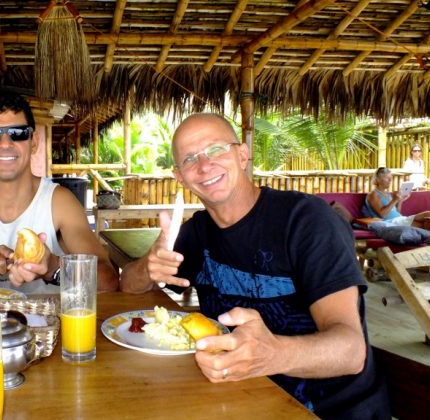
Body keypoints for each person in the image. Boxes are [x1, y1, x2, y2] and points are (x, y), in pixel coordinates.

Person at [120, 114, 388, 419]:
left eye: (216, 149)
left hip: (331, 410)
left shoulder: (306, 221)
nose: (205, 165)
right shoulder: (197, 232)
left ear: (242, 154)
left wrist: (271, 355)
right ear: (180, 176)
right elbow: (128, 285)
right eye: (190, 158)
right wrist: (149, 264)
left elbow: (351, 352)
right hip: (240, 398)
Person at [0, 91, 118, 296]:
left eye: (18, 133)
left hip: (47, 326)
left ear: (33, 141)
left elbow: (109, 280)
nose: (5, 143)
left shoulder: (59, 202)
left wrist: (52, 267)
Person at [364, 167, 430, 228]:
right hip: (389, 222)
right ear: (378, 179)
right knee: (423, 224)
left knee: (429, 214)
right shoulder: (373, 194)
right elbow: (383, 214)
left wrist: (400, 200)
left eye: (391, 178)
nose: (390, 180)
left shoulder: (388, 194)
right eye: (387, 178)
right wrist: (394, 200)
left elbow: (397, 212)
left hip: (400, 219)